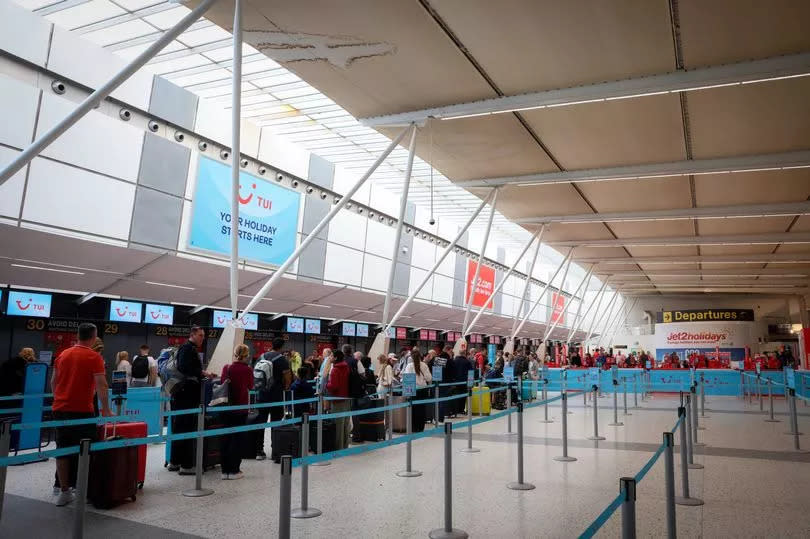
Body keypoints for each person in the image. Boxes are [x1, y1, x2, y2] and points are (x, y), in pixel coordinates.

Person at [51, 323, 112, 506]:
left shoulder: (63, 354)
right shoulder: (94, 357)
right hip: (82, 411)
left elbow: (54, 382)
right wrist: (106, 410)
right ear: (93, 337)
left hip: (60, 409)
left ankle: (64, 491)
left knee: (62, 449)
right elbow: (101, 385)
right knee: (86, 449)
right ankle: (83, 488)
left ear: (78, 335)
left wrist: (60, 399)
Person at [168, 326, 209, 474]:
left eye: (203, 336)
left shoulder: (186, 348)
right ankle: (186, 465)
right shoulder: (188, 348)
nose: (202, 338)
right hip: (186, 395)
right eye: (200, 335)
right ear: (192, 335)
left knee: (179, 427)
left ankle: (175, 462)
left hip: (181, 394)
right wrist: (202, 372)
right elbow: (184, 367)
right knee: (186, 428)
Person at [253, 337, 291, 461]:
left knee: (260, 422)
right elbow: (287, 379)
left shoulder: (262, 357)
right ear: (282, 347)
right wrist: (285, 387)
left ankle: (259, 450)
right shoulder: (282, 360)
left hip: (261, 394)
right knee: (276, 423)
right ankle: (276, 451)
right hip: (276, 396)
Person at [219, 344, 253, 480]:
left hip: (225, 408)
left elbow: (222, 383)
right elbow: (250, 386)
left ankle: (224, 470)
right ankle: (234, 470)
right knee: (237, 439)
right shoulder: (248, 370)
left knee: (225, 438)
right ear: (246, 355)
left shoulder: (226, 368)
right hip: (240, 408)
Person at [403, 349, 432, 432]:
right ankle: (420, 427)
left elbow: (406, 378)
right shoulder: (424, 365)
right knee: (421, 409)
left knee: (412, 409)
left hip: (412, 390)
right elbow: (429, 378)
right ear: (420, 356)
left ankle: (413, 427)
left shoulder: (409, 366)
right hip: (423, 390)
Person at [326, 350, 350, 449]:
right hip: (347, 398)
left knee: (338, 425)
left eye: (331, 356)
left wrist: (327, 384)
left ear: (335, 358)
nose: (329, 357)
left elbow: (334, 386)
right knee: (345, 424)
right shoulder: (346, 367)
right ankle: (345, 445)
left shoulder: (335, 369)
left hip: (337, 399)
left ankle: (338, 447)